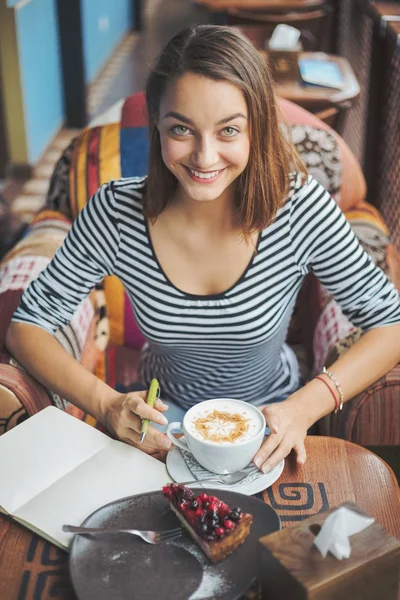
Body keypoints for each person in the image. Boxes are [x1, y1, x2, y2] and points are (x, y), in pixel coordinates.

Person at [6, 25, 400, 474]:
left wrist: (306, 406)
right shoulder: (116, 212)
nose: (205, 156)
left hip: (276, 416)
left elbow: (390, 323)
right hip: (163, 423)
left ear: (258, 129)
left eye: (229, 130)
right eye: (182, 129)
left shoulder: (299, 209)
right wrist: (108, 403)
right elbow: (28, 326)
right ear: (157, 123)